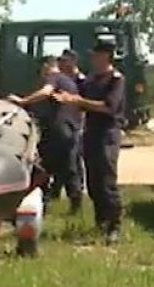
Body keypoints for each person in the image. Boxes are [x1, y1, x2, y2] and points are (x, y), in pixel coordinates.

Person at [54, 40, 126, 245]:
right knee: (93, 182)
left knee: (106, 180)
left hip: (108, 133)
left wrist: (77, 102)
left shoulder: (116, 79)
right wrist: (71, 74)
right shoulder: (93, 78)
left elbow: (108, 107)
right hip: (92, 133)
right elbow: (78, 89)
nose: (92, 57)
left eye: (96, 54)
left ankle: (114, 226)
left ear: (106, 55)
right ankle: (101, 222)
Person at [7, 55, 83, 214]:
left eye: (42, 70)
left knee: (43, 167)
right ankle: (75, 204)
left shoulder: (54, 77)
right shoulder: (69, 82)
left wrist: (23, 101)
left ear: (47, 67)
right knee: (69, 168)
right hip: (72, 130)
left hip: (57, 130)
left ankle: (42, 203)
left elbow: (46, 92)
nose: (41, 75)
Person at [56, 49, 87, 205]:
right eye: (60, 61)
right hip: (65, 124)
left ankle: (77, 195)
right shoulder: (61, 79)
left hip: (77, 125)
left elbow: (85, 104)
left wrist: (81, 125)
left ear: (73, 62)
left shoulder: (81, 81)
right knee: (65, 160)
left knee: (73, 161)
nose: (61, 64)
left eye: (65, 61)